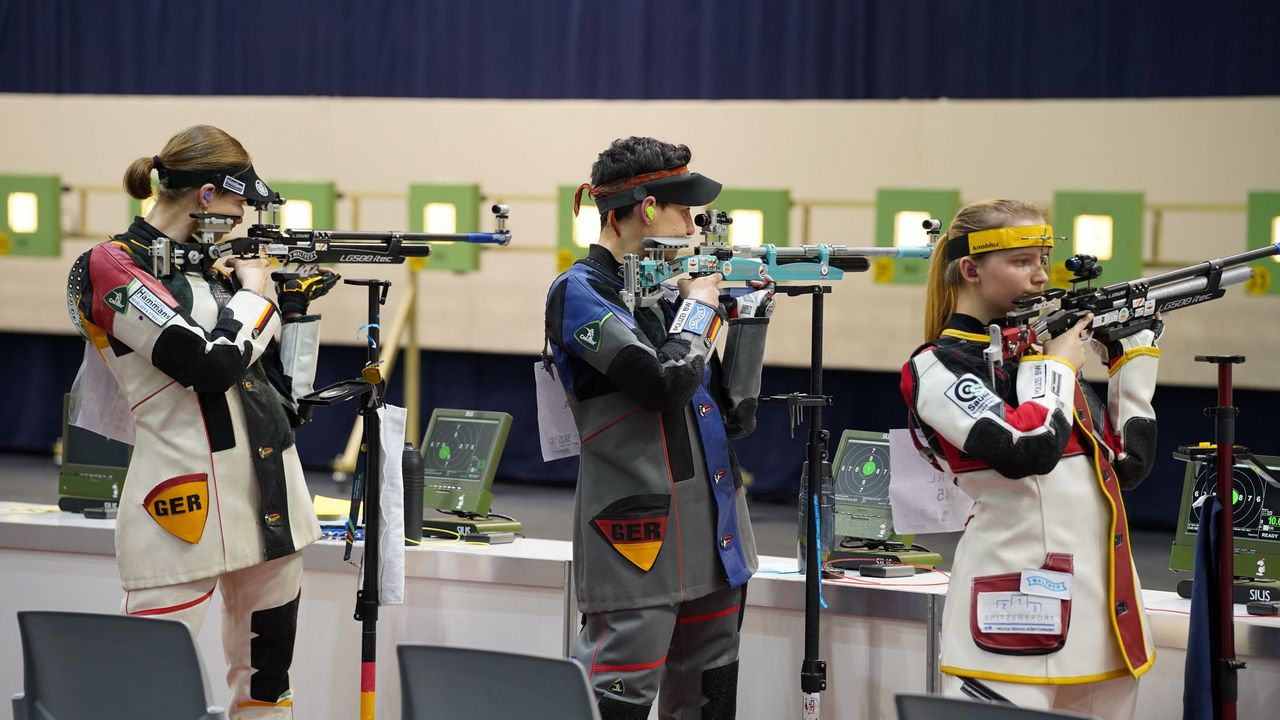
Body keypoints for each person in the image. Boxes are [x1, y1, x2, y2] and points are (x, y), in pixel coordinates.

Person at [65, 125, 338, 719]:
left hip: (270, 500)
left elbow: (286, 398)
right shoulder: (110, 265)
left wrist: (295, 310)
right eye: (241, 201)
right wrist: (259, 294)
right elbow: (209, 365)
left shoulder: (215, 272)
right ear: (207, 195)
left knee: (266, 689)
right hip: (180, 505)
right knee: (146, 691)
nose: (245, 217)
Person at [899, 199, 1161, 719]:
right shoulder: (938, 365)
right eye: (1022, 262)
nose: (1041, 276)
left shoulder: (1036, 360)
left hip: (1104, 617)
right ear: (971, 270)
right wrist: (1057, 368)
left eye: (1043, 259)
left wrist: (1133, 359)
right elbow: (1028, 451)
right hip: (1010, 618)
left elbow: (1127, 466)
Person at [544, 136, 773, 719]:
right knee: (615, 704)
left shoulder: (669, 295)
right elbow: (660, 383)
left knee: (709, 702)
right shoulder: (580, 292)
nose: (694, 225)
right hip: (636, 543)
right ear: (647, 208)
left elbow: (736, 418)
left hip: (716, 538)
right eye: (685, 210)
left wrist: (749, 319)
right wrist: (701, 308)